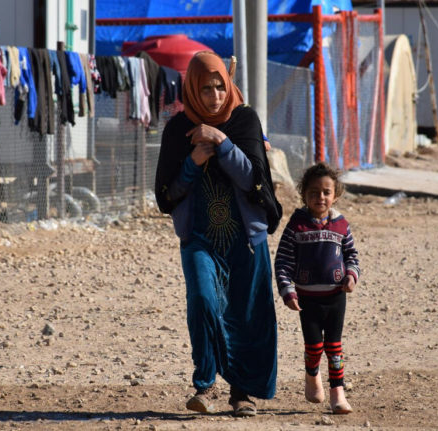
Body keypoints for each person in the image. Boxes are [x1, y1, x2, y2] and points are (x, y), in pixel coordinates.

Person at [154, 51, 282, 417]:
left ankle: (243, 393)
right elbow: (167, 194)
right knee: (203, 301)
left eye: (220, 87)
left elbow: (254, 180)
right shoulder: (178, 130)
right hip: (199, 238)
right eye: (206, 89)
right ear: (193, 89)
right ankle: (205, 383)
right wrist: (192, 163)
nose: (214, 97)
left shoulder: (244, 121)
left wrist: (223, 144)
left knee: (247, 314)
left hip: (246, 239)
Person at [274, 162, 359, 415]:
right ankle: (312, 374)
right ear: (304, 195)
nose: (320, 197)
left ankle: (338, 393)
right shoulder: (296, 226)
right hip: (307, 299)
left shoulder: (342, 225)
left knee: (334, 346)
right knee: (314, 347)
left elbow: (352, 256)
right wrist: (287, 290)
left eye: (326, 192)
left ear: (336, 194)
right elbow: (283, 261)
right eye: (313, 192)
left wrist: (351, 277)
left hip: (335, 297)